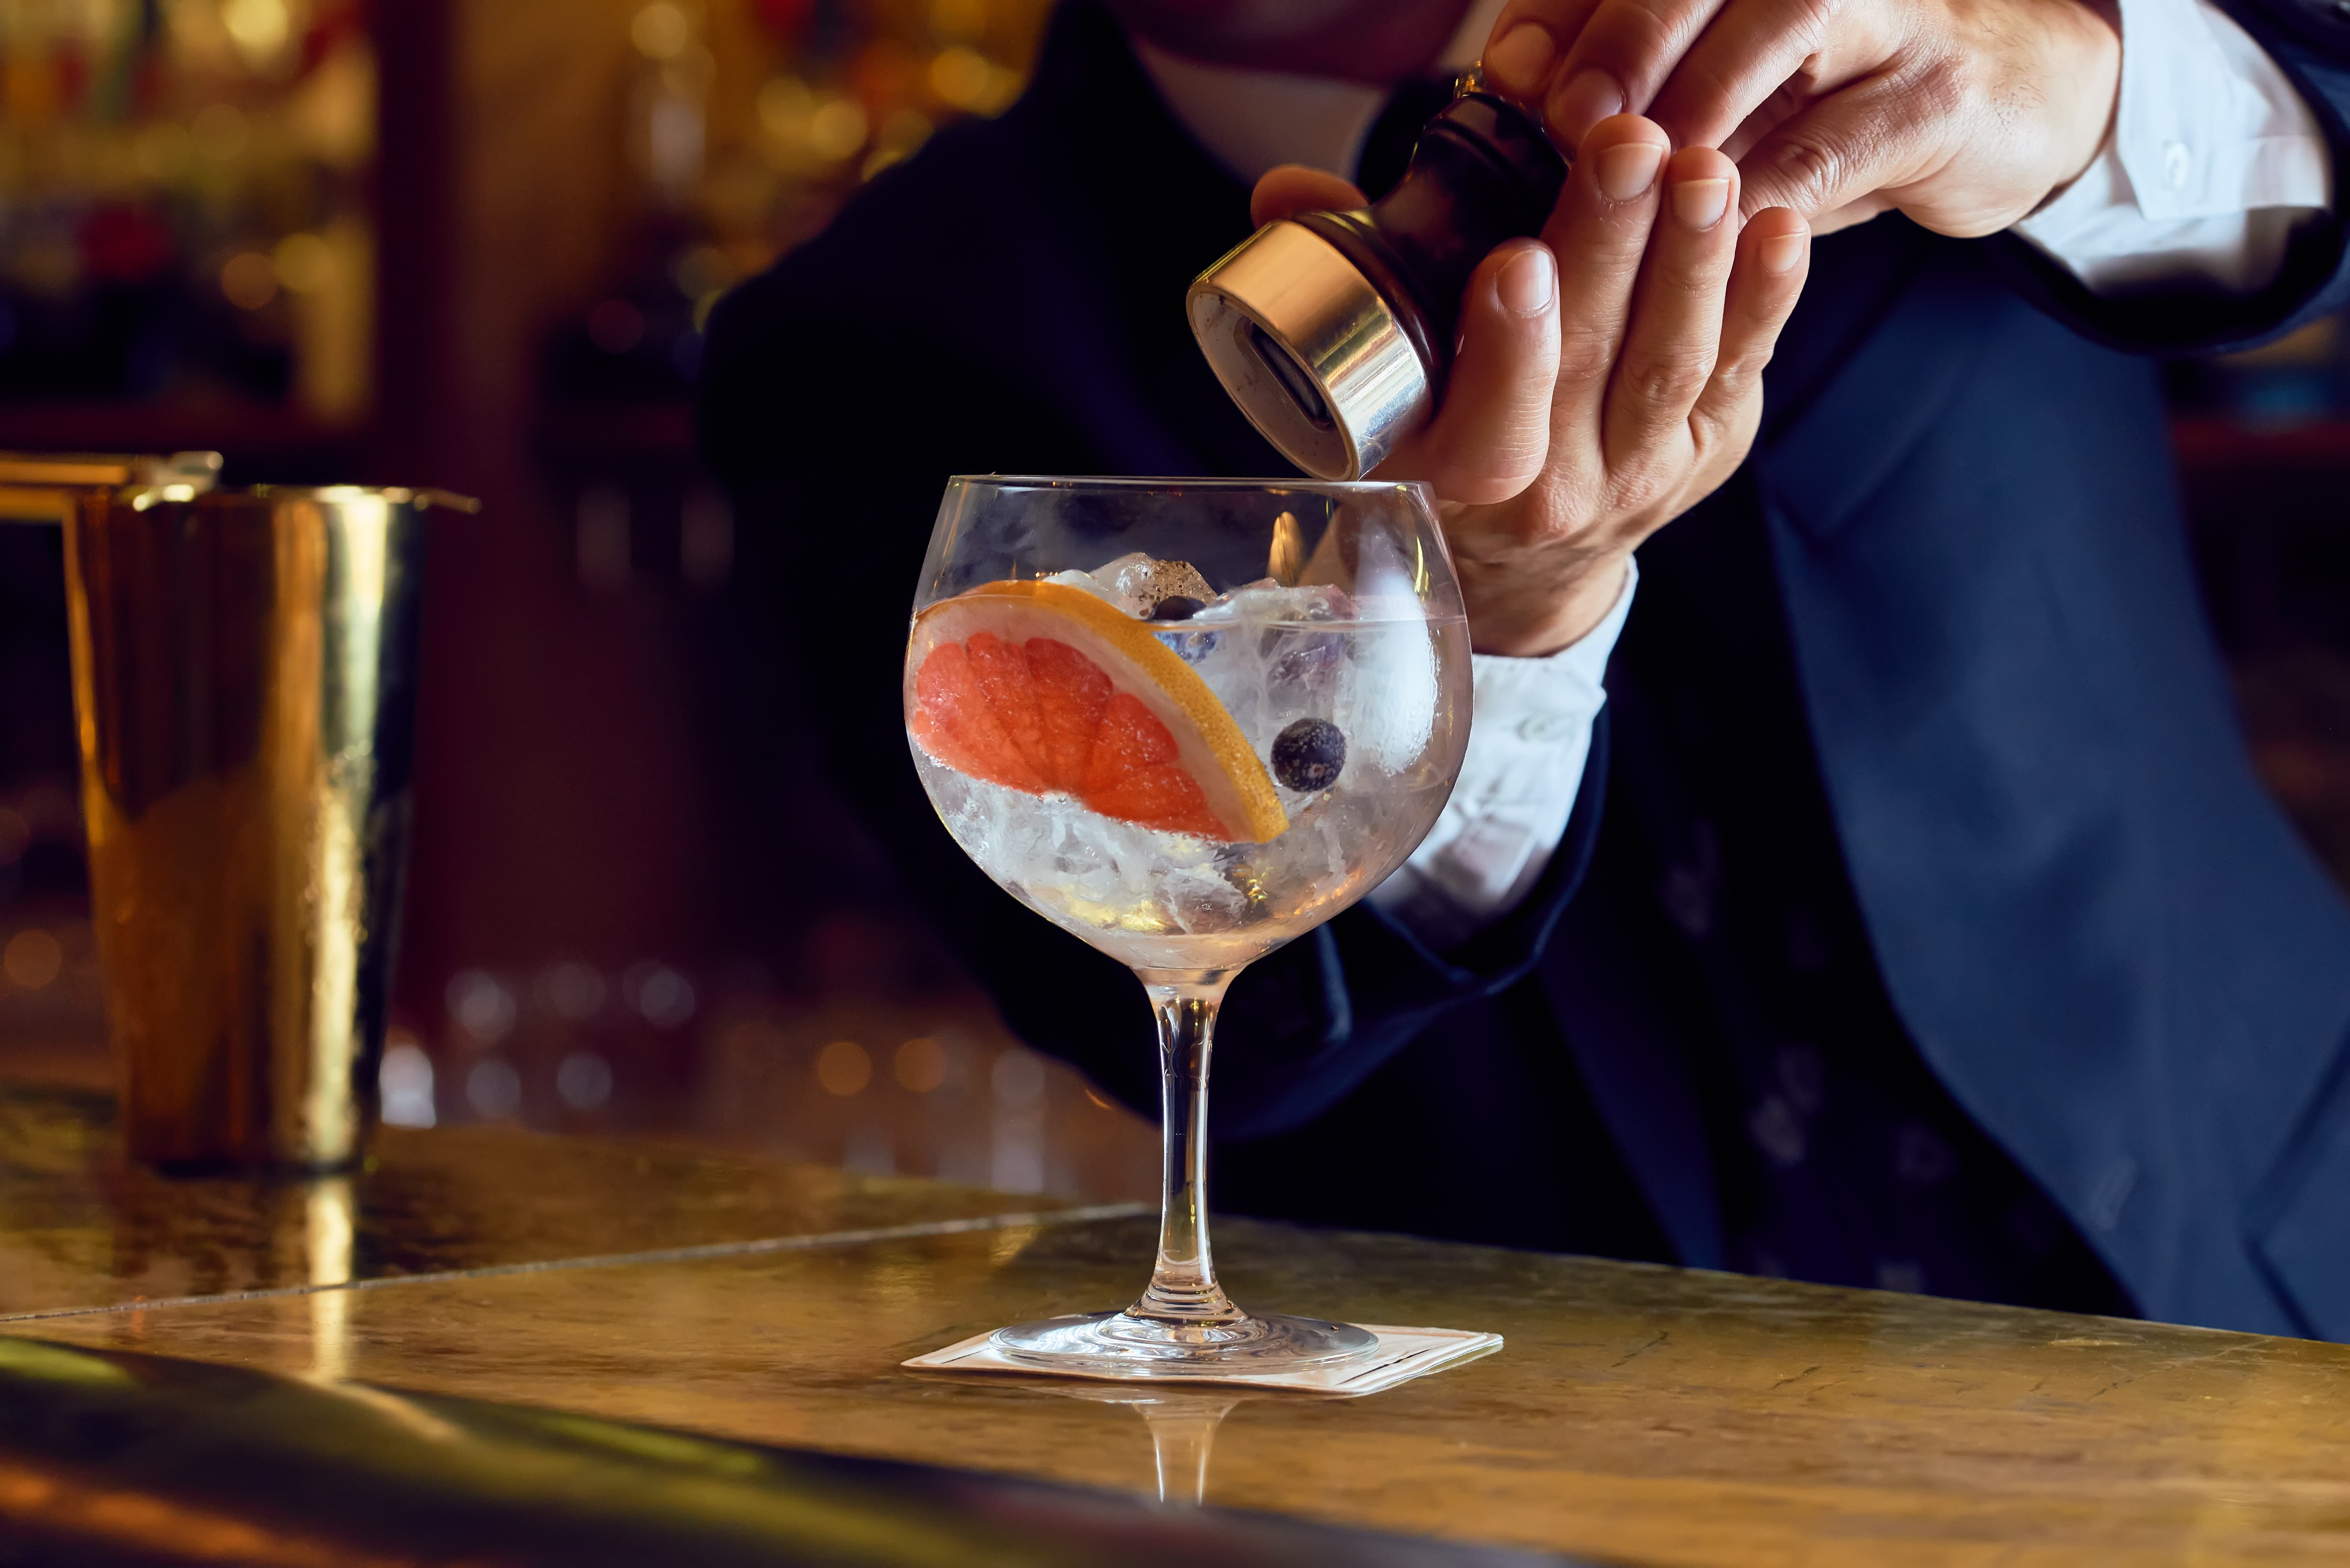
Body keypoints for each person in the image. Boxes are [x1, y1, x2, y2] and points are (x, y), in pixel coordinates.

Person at [699, 0, 2350, 1336]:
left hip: (2239, 1262)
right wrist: (1489, 630)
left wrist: (2066, 71)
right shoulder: (887, 329)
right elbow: (1197, 1024)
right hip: (1522, 1442)